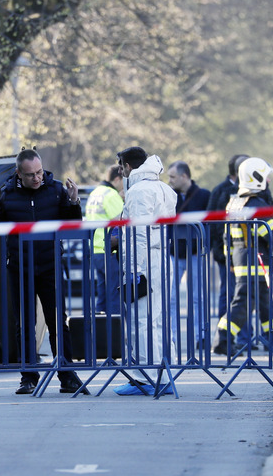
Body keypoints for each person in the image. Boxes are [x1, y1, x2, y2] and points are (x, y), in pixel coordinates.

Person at [0, 149, 87, 395]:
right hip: (20, 267)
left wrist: (73, 202)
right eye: (30, 175)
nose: (37, 178)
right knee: (25, 324)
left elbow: (72, 225)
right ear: (19, 173)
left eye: (39, 172)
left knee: (58, 323)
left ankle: (67, 375)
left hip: (50, 265)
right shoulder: (7, 194)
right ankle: (28, 376)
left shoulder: (56, 190)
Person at [213, 157, 273, 359]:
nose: (268, 181)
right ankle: (222, 341)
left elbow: (227, 236)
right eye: (265, 177)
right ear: (256, 178)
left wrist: (230, 261)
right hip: (254, 260)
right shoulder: (256, 204)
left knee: (264, 303)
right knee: (243, 303)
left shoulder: (235, 202)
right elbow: (272, 234)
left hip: (242, 259)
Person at [113, 147, 178, 396]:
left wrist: (133, 269)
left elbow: (138, 233)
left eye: (121, 167)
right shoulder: (164, 188)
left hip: (145, 260)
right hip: (161, 256)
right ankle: (166, 373)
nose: (120, 173)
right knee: (158, 318)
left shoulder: (139, 191)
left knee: (142, 320)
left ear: (128, 166)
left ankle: (146, 377)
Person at [206, 154, 250, 348]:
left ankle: (246, 338)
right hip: (227, 254)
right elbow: (212, 222)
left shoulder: (255, 190)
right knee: (229, 294)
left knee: (248, 295)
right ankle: (225, 338)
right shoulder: (221, 191)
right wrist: (222, 250)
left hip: (250, 252)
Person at [165, 161, 211, 345]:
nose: (170, 181)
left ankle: (201, 336)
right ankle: (172, 338)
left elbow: (210, 224)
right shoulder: (169, 196)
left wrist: (207, 247)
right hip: (174, 253)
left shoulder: (204, 196)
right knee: (171, 298)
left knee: (197, 297)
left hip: (195, 253)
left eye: (173, 177)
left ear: (185, 176)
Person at [84, 165, 124, 315]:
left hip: (95, 249)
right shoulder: (111, 195)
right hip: (110, 250)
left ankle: (99, 333)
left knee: (102, 294)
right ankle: (115, 335)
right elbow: (121, 221)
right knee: (115, 294)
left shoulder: (95, 193)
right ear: (117, 179)